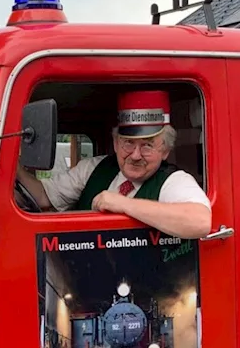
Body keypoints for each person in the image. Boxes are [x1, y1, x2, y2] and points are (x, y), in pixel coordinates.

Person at [16, 89, 213, 239]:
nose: (135, 155)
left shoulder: (173, 180)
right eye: (128, 143)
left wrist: (124, 204)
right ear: (116, 144)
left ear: (165, 151)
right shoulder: (95, 167)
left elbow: (200, 221)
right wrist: (10, 169)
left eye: (147, 146)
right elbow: (43, 196)